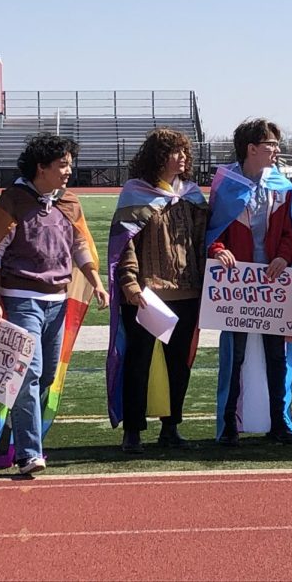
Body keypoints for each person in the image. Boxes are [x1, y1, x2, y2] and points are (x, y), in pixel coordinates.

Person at [0, 133, 108, 475]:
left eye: (70, 165)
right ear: (41, 167)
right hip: (21, 300)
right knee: (28, 373)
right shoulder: (13, 200)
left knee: (45, 376)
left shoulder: (70, 204)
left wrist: (97, 284)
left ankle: (11, 432)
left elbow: (81, 248)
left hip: (58, 302)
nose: (68, 172)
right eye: (62, 165)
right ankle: (29, 453)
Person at [106, 128, 208, 453]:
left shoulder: (192, 195)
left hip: (188, 292)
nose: (182, 158)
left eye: (184, 152)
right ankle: (132, 432)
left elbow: (204, 241)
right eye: (175, 152)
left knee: (180, 363)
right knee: (139, 362)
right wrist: (131, 284)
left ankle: (171, 427)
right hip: (147, 296)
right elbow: (125, 245)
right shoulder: (135, 193)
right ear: (158, 156)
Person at [207, 119, 292, 446]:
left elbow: (291, 234)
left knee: (279, 355)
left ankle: (281, 423)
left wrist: (283, 257)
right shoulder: (225, 183)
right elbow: (211, 232)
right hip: (238, 285)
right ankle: (229, 424)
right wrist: (219, 251)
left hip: (275, 284)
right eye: (271, 144)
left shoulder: (283, 187)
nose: (276, 150)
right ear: (252, 148)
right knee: (235, 355)